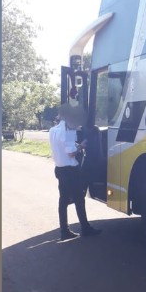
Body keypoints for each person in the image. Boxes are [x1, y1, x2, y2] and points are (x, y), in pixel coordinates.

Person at [49, 103, 101, 240]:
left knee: (63, 200)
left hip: (59, 169)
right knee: (79, 199)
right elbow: (71, 152)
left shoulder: (53, 130)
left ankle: (64, 230)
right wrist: (81, 146)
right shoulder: (68, 130)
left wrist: (75, 145)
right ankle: (85, 228)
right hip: (70, 171)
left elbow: (62, 147)